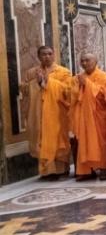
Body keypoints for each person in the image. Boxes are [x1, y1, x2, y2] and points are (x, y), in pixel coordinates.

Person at [19, 45, 73, 180]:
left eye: (49, 54)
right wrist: (35, 83)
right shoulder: (31, 72)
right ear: (39, 56)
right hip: (38, 112)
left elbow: (68, 90)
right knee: (41, 139)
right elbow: (23, 89)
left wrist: (48, 82)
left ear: (54, 55)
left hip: (57, 111)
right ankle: (46, 171)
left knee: (58, 139)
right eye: (43, 54)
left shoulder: (63, 72)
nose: (47, 57)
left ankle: (62, 170)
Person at [72, 53, 106, 180]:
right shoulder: (77, 78)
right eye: (82, 61)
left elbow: (105, 95)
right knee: (83, 142)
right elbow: (73, 96)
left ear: (95, 61)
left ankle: (104, 168)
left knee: (101, 143)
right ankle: (86, 171)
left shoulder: (103, 76)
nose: (84, 63)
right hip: (83, 116)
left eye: (87, 60)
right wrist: (81, 86)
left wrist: (87, 84)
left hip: (99, 115)